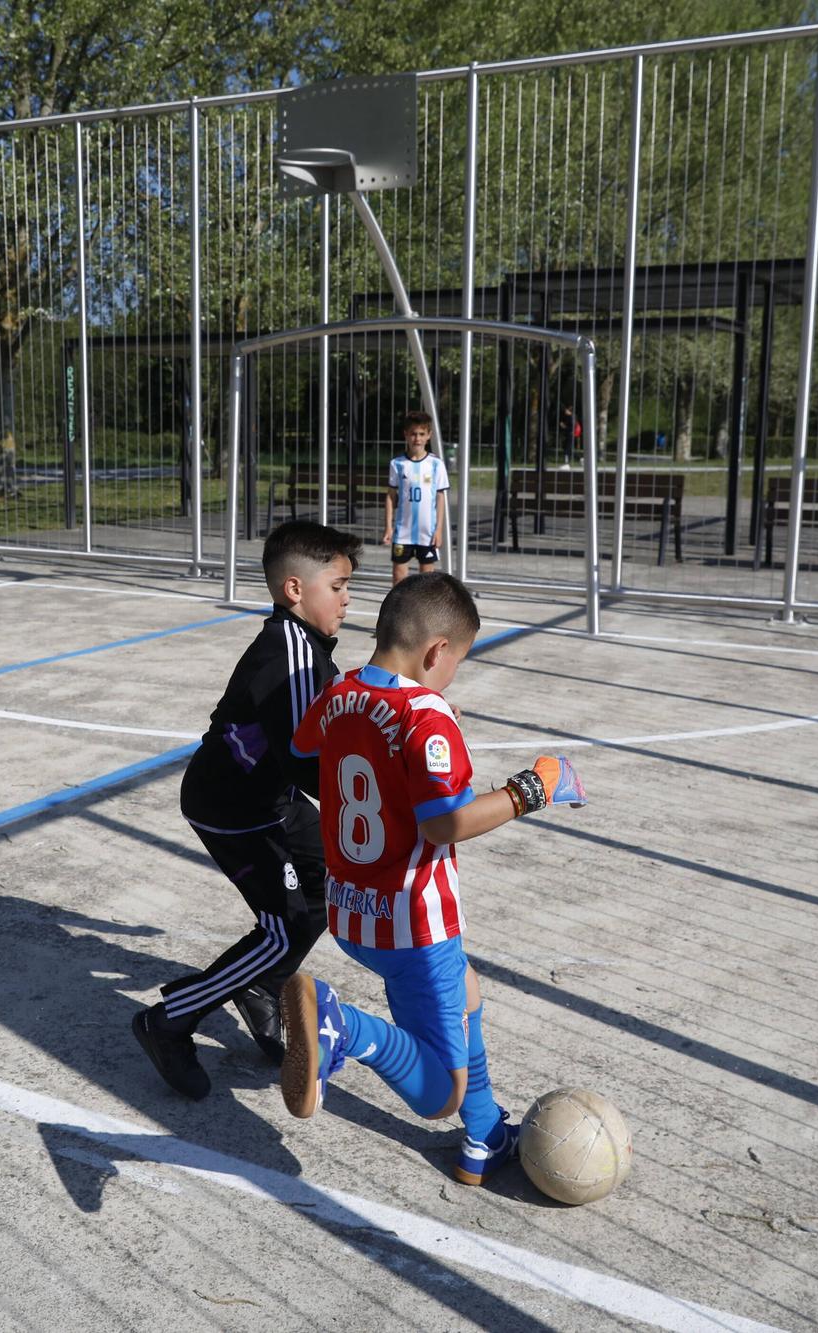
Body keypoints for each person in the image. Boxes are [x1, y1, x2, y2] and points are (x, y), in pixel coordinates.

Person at [281, 573, 585, 1185]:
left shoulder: (340, 691)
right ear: (436, 651)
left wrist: (417, 720)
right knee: (436, 1093)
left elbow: (305, 741)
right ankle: (343, 1029)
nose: (451, 682)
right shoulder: (426, 714)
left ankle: (485, 1138)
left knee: (466, 995)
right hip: (416, 921)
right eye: (455, 666)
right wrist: (533, 790)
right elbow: (446, 824)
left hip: (352, 910)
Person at [131, 519, 363, 1100]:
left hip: (269, 799)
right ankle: (169, 1021)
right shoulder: (290, 658)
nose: (348, 598)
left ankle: (260, 987)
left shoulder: (308, 649)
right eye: (336, 586)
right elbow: (309, 767)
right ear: (294, 589)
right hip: (230, 808)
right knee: (284, 929)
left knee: (324, 892)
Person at [382, 410, 451, 585]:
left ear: (429, 435)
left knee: (427, 579)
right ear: (406, 435)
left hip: (426, 533)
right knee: (399, 576)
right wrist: (388, 528)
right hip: (403, 532)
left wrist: (438, 530)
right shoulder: (397, 464)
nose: (417, 439)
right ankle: (398, 611)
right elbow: (391, 496)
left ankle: (424, 612)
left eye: (421, 434)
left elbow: (440, 498)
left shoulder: (436, 465)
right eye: (413, 434)